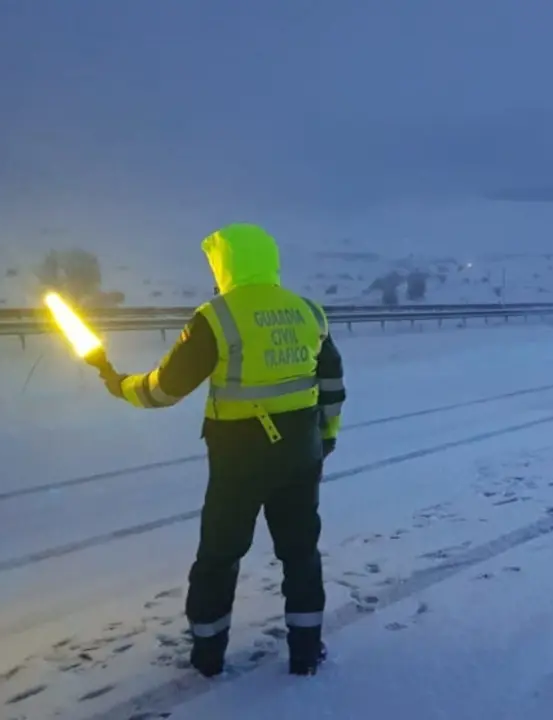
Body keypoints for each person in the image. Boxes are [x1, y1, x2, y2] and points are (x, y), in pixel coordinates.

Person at [96, 223, 345, 677]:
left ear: (225, 265)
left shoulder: (217, 316)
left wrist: (119, 384)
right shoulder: (308, 311)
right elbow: (331, 383)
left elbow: (164, 390)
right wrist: (325, 437)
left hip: (238, 459)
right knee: (301, 554)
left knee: (219, 556)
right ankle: (306, 653)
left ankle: (208, 656)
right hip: (301, 452)